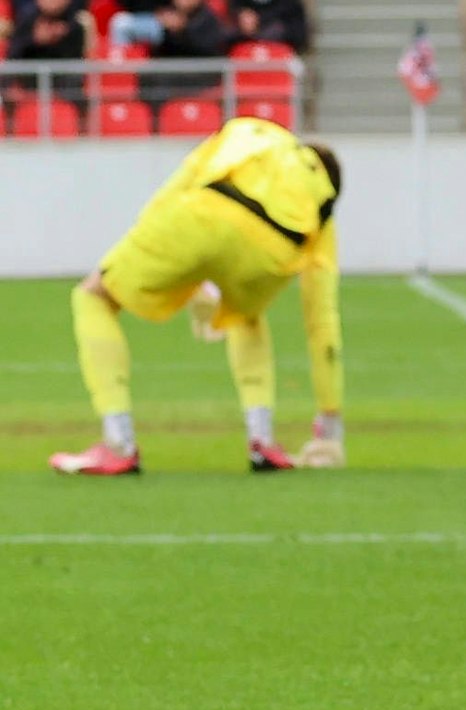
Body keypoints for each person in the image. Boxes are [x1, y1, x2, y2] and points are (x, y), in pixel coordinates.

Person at [51, 115, 346, 475]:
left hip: (202, 217)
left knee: (94, 296)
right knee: (246, 317)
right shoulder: (323, 202)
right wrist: (330, 422)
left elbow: (183, 181)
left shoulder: (254, 131)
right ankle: (262, 442)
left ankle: (119, 443)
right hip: (276, 250)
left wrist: (154, 244)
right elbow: (322, 319)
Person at [229, 0, 308, 53]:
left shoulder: (291, 5)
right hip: (242, 60)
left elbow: (300, 38)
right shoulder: (236, 4)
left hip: (281, 60)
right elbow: (223, 39)